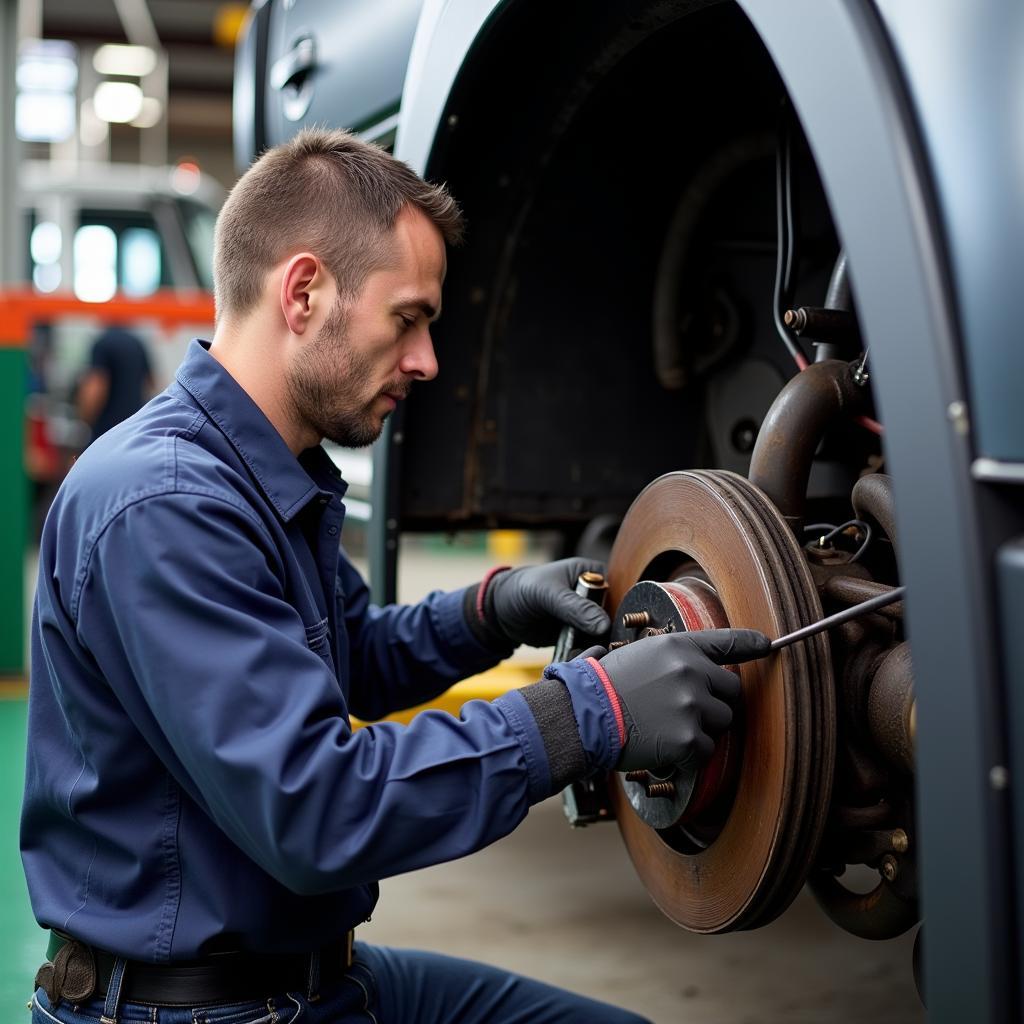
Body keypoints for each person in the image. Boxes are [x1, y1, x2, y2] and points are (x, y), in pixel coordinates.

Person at [23, 129, 769, 1024]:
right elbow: (320, 808)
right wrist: (589, 715)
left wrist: (492, 611)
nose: (427, 362)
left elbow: (349, 660)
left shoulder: (257, 472)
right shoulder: (166, 505)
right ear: (303, 292)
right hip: (198, 1012)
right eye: (407, 318)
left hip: (309, 981)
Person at [76, 324, 154, 442]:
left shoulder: (102, 343)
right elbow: (151, 383)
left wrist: (84, 418)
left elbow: (96, 387)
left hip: (106, 431)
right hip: (133, 429)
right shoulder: (138, 343)